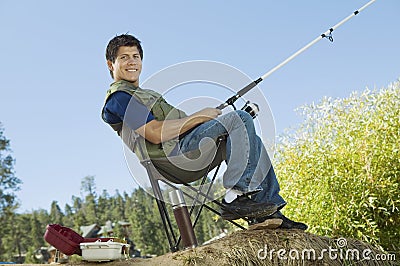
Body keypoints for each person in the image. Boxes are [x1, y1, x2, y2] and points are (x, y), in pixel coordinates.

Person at [101, 34, 307, 230]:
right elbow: (155, 133)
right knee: (239, 118)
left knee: (251, 137)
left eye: (136, 57)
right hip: (172, 158)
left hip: (186, 148)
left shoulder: (145, 94)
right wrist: (201, 116)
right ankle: (235, 196)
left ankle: (267, 210)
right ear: (111, 65)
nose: (132, 62)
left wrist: (205, 121)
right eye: (124, 58)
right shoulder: (120, 98)